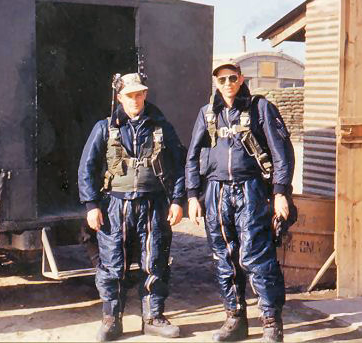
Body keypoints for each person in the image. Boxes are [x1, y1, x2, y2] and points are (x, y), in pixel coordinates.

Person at [185, 61, 295, 342]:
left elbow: (282, 152)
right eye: (221, 80)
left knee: (256, 255)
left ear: (241, 78)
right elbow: (193, 156)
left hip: (251, 191)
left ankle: (271, 322)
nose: (227, 84)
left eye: (232, 78)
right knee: (224, 258)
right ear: (216, 83)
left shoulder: (260, 108)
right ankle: (235, 318)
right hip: (216, 192)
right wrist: (192, 195)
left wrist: (281, 191)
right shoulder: (207, 114)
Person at [78, 72, 186, 341]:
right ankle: (111, 319)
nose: (135, 100)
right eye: (129, 95)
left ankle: (153, 317)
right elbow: (87, 168)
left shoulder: (162, 127)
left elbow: (180, 166)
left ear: (145, 95)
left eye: (139, 94)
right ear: (119, 98)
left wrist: (178, 200)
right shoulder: (104, 128)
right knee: (113, 264)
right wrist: (92, 205)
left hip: (154, 205)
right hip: (115, 205)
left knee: (155, 261)